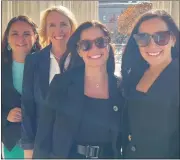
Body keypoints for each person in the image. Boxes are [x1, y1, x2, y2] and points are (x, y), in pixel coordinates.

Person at [32, 20, 124, 159]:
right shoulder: (61, 83)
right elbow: (43, 136)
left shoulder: (120, 88)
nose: (94, 49)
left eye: (100, 42)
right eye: (86, 45)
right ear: (79, 51)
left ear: (108, 45)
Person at [121, 10, 179, 159]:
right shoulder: (135, 74)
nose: (151, 44)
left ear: (173, 40)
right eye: (143, 38)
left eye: (161, 37)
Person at [21, 6, 78, 158]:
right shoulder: (33, 61)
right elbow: (28, 104)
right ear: (45, 30)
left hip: (77, 143)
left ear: (72, 28)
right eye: (51, 25)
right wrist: (28, 147)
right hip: (44, 143)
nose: (58, 30)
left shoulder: (83, 58)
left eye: (63, 24)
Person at [1, 15, 41, 159]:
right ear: (7, 38)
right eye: (15, 34)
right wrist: (5, 116)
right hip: (12, 141)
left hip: (40, 141)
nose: (20, 39)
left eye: (26, 34)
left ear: (35, 37)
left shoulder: (45, 65)